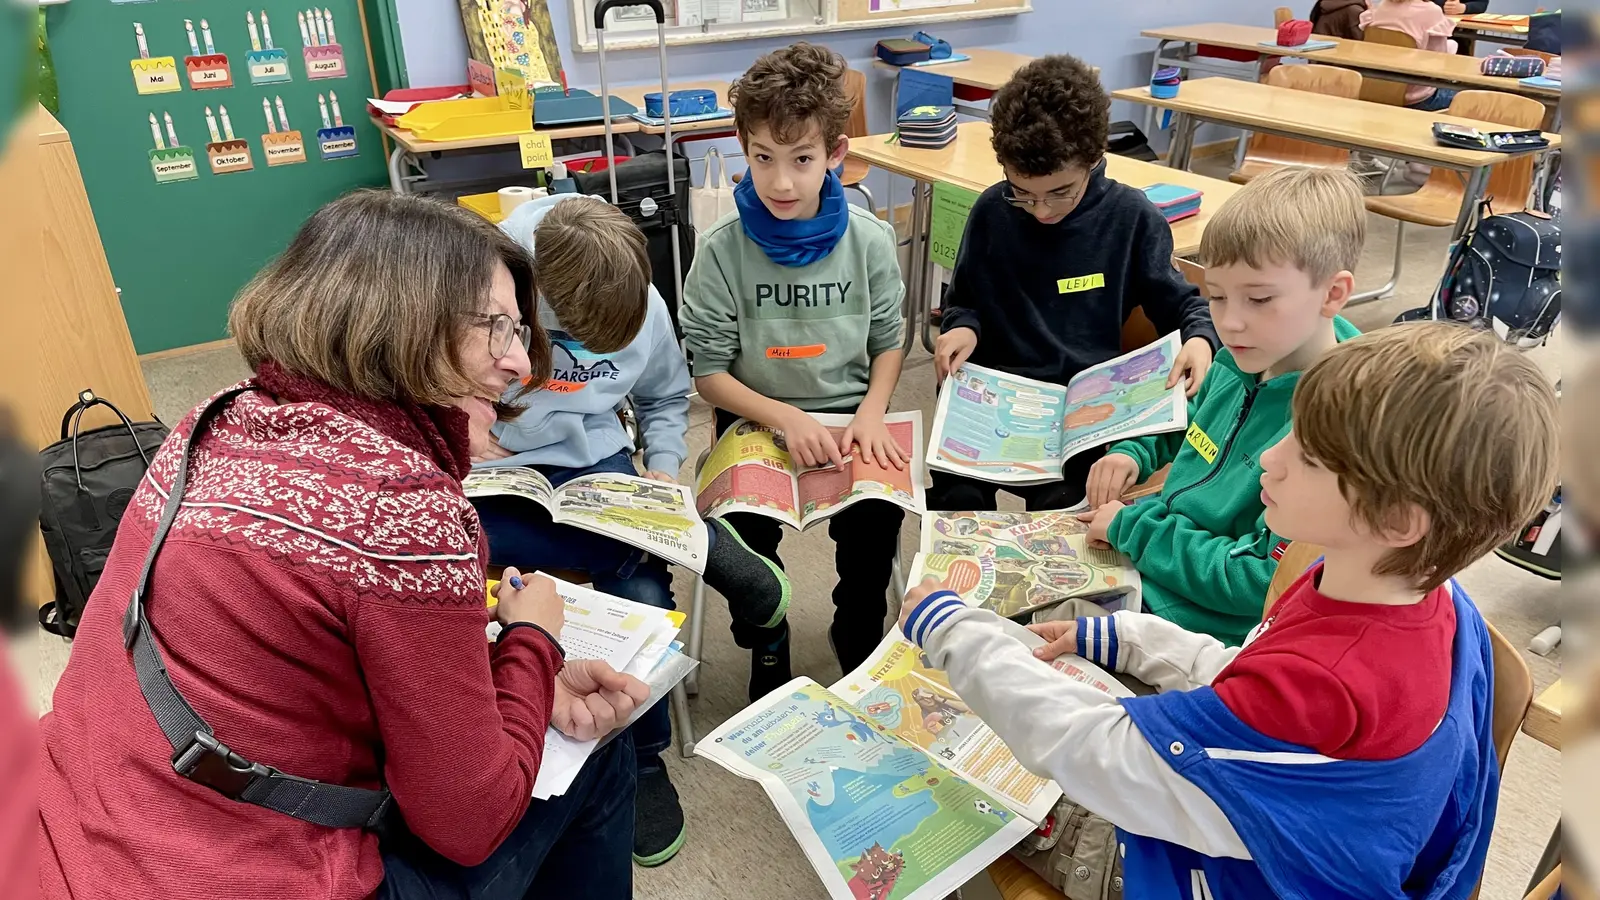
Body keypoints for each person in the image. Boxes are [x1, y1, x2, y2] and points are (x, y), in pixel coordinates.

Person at [38, 191, 651, 900]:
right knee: (595, 756)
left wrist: (507, 677)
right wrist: (533, 644)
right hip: (230, 871)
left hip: (81, 817)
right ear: (406, 321)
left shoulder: (214, 419)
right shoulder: (407, 510)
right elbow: (469, 822)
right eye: (498, 328)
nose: (523, 363)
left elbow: (326, 643)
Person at [898, 322, 1560, 899]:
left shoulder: (1328, 675)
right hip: (1313, 850)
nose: (1269, 459)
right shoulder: (1407, 589)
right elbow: (1249, 671)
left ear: (1396, 519)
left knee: (950, 787)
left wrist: (956, 630)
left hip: (1235, 881)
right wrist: (1121, 637)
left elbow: (1097, 750)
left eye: (1307, 457)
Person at [476, 193, 791, 867]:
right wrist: (461, 423)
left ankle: (642, 761)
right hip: (493, 463)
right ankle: (691, 542)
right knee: (491, 562)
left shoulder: (634, 296)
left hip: (595, 459)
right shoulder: (485, 280)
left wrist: (668, 473)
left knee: (643, 601)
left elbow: (662, 398)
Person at [680, 42, 908, 699]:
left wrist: (870, 412)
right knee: (743, 537)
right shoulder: (724, 251)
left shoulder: (867, 239)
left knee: (873, 524)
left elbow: (889, 343)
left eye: (802, 160)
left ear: (836, 154)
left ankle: (856, 626)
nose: (782, 183)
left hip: (850, 414)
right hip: (756, 417)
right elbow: (711, 373)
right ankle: (767, 633)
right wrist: (783, 418)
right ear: (742, 147)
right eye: (763, 159)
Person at [1079, 166, 1364, 645]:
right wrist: (1137, 450)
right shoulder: (1241, 359)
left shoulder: (1337, 426)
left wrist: (1135, 531)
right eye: (1216, 297)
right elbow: (1191, 422)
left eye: (1258, 299)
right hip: (1153, 564)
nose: (1229, 324)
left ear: (1332, 294)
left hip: (1204, 629)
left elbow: (1260, 580)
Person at [931, 54, 1218, 512]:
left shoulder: (1131, 219)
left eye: (1060, 192)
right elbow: (963, 300)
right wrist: (962, 326)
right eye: (1022, 191)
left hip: (1080, 410)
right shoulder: (992, 210)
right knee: (957, 507)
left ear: (1093, 158)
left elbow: (1184, 306)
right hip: (993, 398)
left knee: (1066, 515)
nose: (1041, 210)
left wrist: (1201, 339)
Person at [1362, 0, 1461, 110]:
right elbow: (1439, 62)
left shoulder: (1381, 7)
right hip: (1416, 98)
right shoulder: (1431, 11)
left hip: (1374, 92)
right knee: (1468, 97)